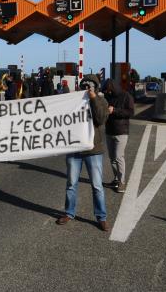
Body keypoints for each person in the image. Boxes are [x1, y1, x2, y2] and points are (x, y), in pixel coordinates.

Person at [56, 74, 110, 232]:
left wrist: (93, 97)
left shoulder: (102, 101)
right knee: (71, 184)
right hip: (75, 149)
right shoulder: (74, 101)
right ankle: (69, 213)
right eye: (84, 86)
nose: (86, 88)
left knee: (97, 185)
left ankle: (101, 217)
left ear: (95, 87)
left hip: (93, 150)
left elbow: (100, 119)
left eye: (90, 86)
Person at [103, 78, 135, 193]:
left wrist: (115, 110)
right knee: (112, 158)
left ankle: (122, 182)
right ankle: (116, 179)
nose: (108, 93)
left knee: (118, 157)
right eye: (106, 91)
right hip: (109, 130)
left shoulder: (126, 96)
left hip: (121, 131)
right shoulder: (107, 96)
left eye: (108, 90)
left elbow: (130, 112)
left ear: (113, 87)